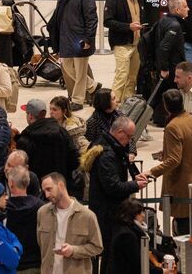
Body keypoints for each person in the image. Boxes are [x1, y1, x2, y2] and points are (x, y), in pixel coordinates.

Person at [83, 116, 147, 273]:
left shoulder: (108, 144)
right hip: (107, 214)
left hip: (108, 211)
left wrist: (134, 176)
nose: (130, 141)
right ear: (119, 132)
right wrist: (135, 185)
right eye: (129, 136)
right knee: (109, 254)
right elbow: (113, 187)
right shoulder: (107, 154)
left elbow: (119, 169)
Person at [144, 89, 192, 235]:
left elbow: (174, 160)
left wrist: (152, 172)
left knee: (183, 231)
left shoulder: (172, 126)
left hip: (180, 183)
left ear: (165, 105)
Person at [48, 0, 101, 111]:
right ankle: (93, 86)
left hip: (80, 38)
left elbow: (92, 18)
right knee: (67, 67)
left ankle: (78, 100)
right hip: (66, 38)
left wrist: (88, 38)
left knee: (80, 69)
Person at [37, 173, 103, 273]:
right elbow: (40, 244)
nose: (46, 195)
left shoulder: (87, 216)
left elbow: (97, 247)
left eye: (49, 189)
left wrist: (73, 251)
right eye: (44, 191)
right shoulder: (42, 213)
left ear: (61, 185)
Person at [15, 99, 81, 198]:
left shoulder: (25, 140)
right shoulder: (61, 131)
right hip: (62, 187)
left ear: (30, 116)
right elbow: (75, 160)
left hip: (38, 193)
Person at [104, 0, 145, 103]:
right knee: (121, 76)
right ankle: (112, 105)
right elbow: (107, 21)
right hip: (121, 44)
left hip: (136, 43)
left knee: (132, 77)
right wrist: (128, 27)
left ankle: (128, 104)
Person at [106, 198, 171, 274]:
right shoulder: (127, 235)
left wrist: (163, 256)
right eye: (140, 213)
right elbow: (138, 263)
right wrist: (163, 271)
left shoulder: (127, 228)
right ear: (132, 214)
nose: (143, 215)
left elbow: (147, 249)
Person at [153, 0, 189, 126]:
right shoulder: (175, 25)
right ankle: (166, 119)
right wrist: (164, 68)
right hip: (170, 67)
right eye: (185, 6)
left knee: (161, 92)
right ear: (178, 10)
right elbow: (164, 47)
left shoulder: (164, 20)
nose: (188, 9)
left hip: (165, 65)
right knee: (169, 94)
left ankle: (159, 118)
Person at [4, 165, 44, 273]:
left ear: (11, 183)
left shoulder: (4, 208)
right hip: (35, 265)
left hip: (11, 266)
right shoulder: (40, 207)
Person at [86, 88, 137, 158]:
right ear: (105, 102)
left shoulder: (120, 115)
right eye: (113, 99)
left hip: (122, 155)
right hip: (104, 158)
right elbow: (91, 146)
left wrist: (132, 152)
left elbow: (130, 135)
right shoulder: (92, 122)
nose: (117, 100)